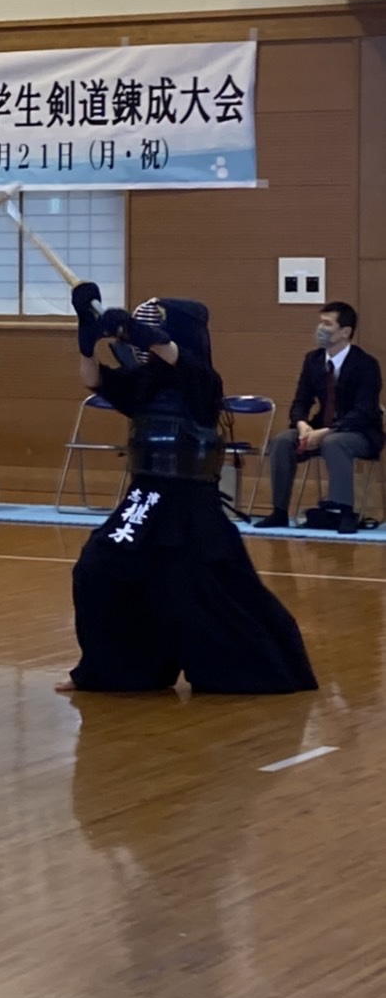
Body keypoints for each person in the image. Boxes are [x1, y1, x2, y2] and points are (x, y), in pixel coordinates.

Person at [57, 283, 317, 695]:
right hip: (146, 497)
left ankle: (247, 666)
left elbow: (166, 348)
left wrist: (128, 329)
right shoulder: (144, 382)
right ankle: (109, 669)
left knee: (197, 590)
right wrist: (87, 339)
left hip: (190, 505)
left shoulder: (202, 381)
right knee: (95, 570)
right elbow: (94, 380)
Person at [255, 301, 383, 534]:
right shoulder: (312, 360)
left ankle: (344, 512)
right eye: (320, 323)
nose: (320, 329)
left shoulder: (366, 364)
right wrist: (302, 425)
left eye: (327, 324)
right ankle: (279, 511)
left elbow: (364, 411)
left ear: (345, 332)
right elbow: (300, 402)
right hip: (319, 428)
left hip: (360, 433)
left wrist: (326, 432)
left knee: (334, 442)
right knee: (282, 441)